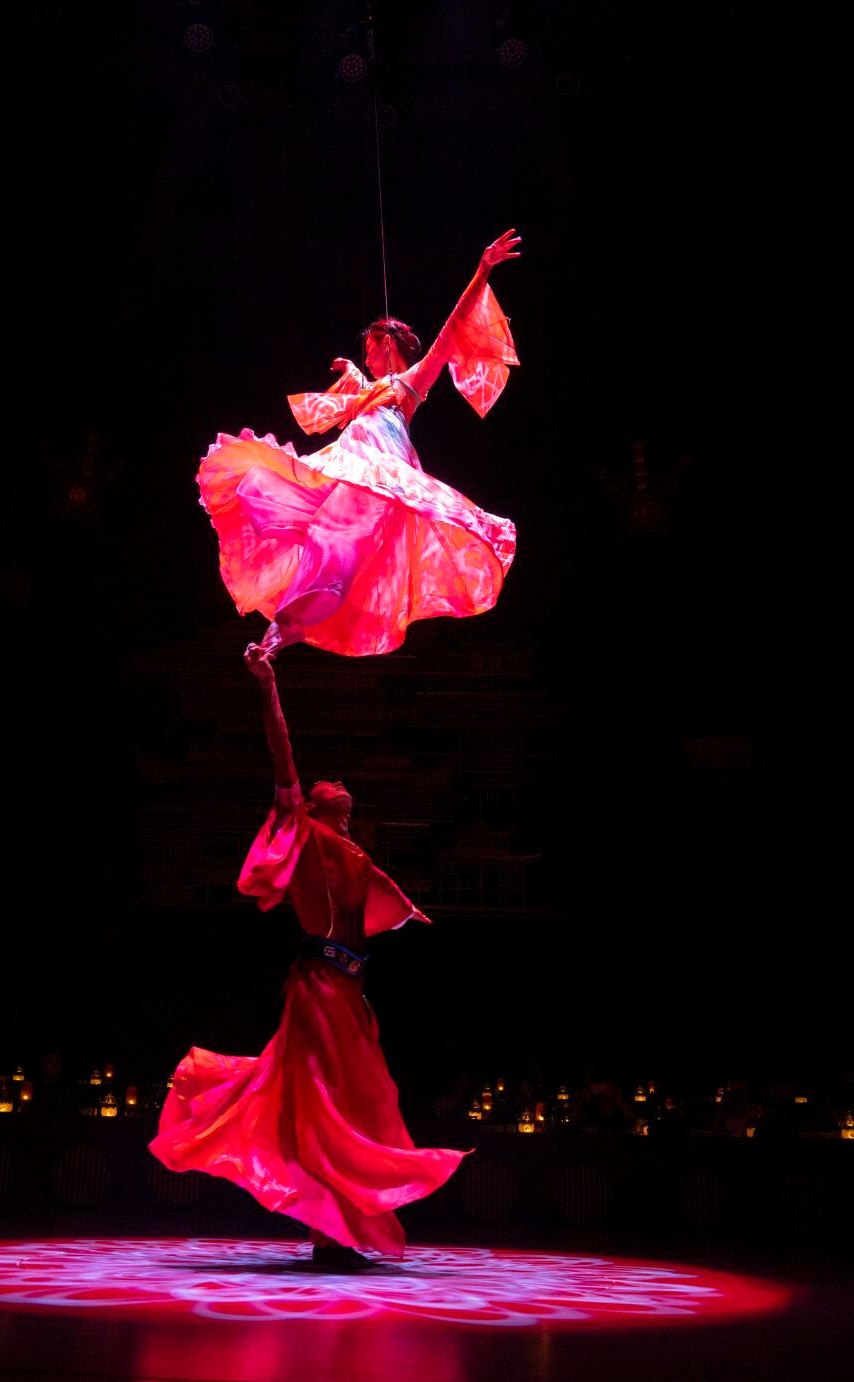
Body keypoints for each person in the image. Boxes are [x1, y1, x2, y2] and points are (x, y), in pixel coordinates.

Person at [149, 645, 468, 1265]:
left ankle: (341, 1229)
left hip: (349, 989)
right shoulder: (304, 831)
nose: (340, 786)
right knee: (322, 1108)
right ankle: (331, 1236)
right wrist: (267, 682)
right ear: (315, 806)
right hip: (318, 986)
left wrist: (406, 911)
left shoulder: (352, 850)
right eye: (329, 789)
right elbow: (282, 752)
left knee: (356, 1106)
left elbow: (380, 896)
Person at [198, 229, 522, 658]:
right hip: (347, 467)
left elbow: (451, 330)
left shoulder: (410, 383)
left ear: (387, 344)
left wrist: (482, 271)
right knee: (323, 541)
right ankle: (278, 636)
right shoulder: (372, 389)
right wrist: (353, 372)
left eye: (369, 350)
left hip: (380, 472)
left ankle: (286, 629)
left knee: (341, 550)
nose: (367, 359)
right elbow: (365, 394)